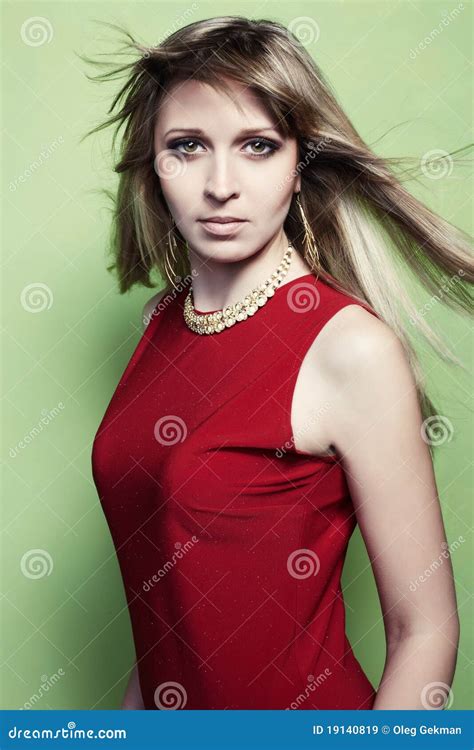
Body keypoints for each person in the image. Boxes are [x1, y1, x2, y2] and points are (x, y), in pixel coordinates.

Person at [86, 17, 472, 710]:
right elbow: (166, 623)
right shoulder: (159, 327)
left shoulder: (350, 349)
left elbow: (427, 630)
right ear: (156, 166)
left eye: (258, 146)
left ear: (299, 167)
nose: (221, 184)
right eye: (188, 147)